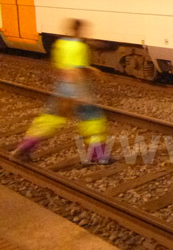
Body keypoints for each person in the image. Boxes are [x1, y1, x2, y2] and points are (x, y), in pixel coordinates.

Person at [12, 19, 110, 164]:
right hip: (77, 88)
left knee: (49, 120)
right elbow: (75, 71)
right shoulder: (79, 47)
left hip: (62, 88)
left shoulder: (60, 44)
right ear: (80, 30)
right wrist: (82, 95)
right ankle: (98, 156)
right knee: (93, 120)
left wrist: (90, 69)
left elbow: (61, 68)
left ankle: (25, 146)